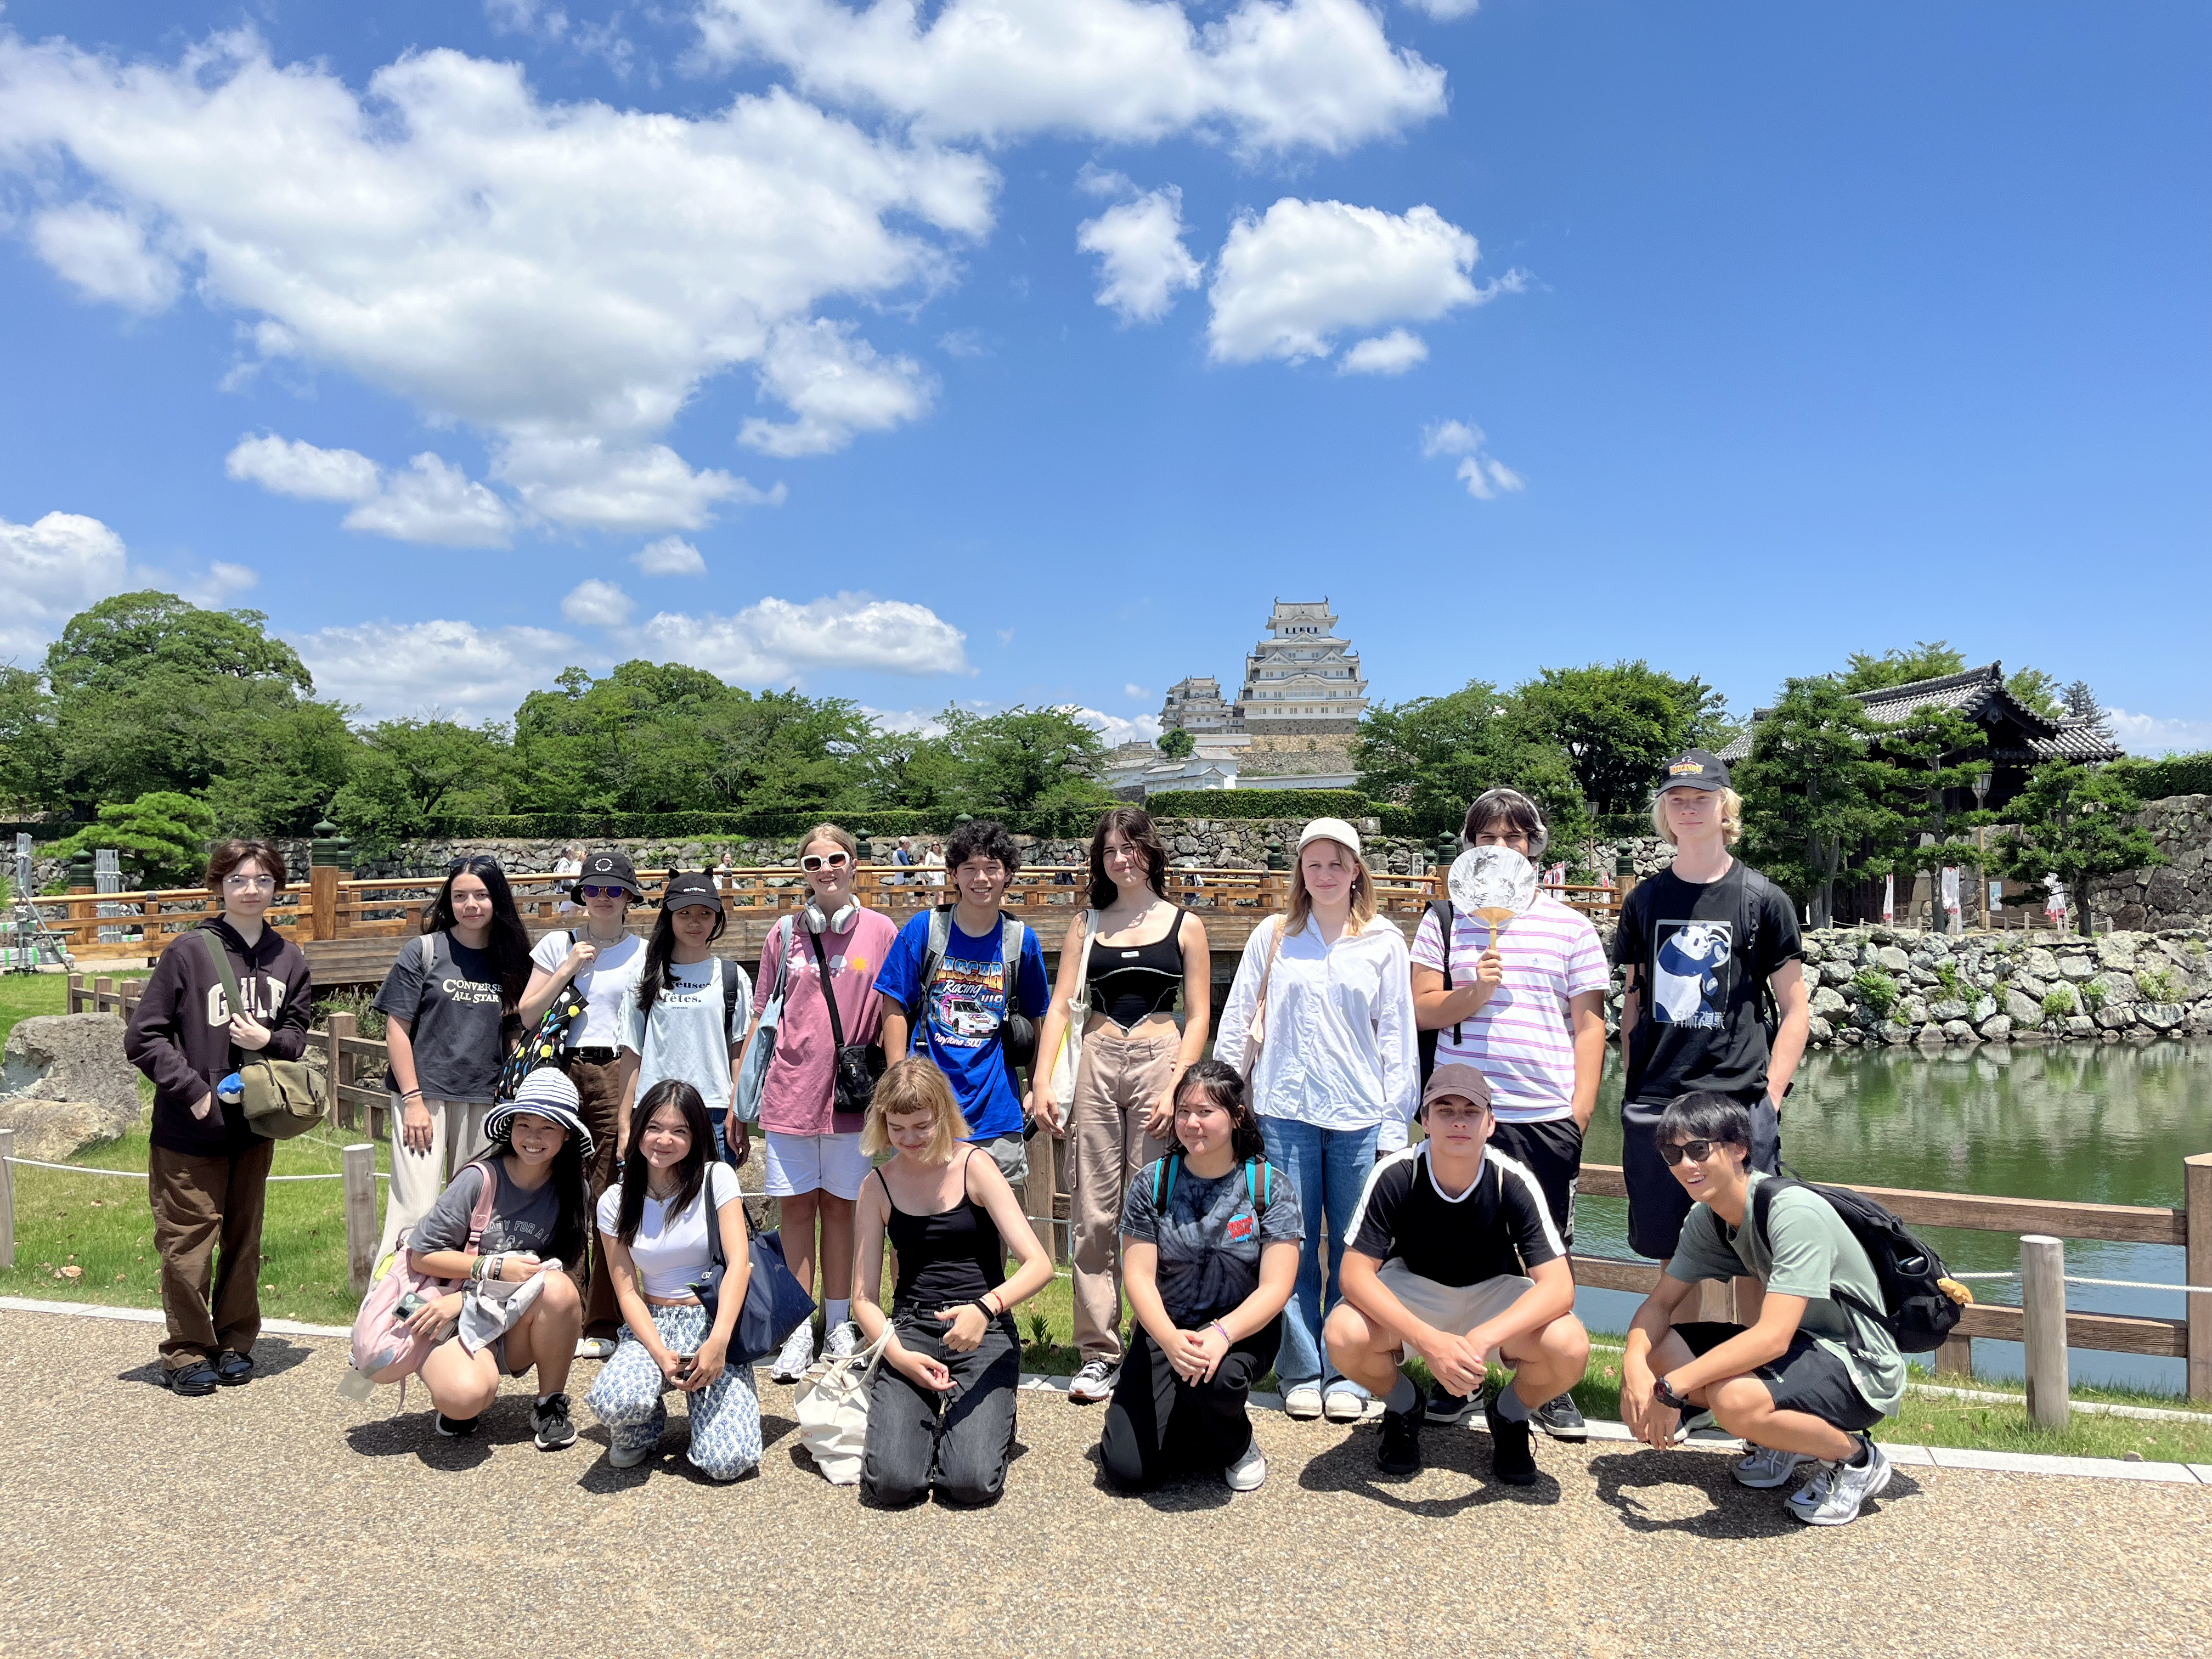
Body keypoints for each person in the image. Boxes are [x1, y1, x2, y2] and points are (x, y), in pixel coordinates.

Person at [1410, 788, 1609, 1437]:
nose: (1500, 849)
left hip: (1543, 1114)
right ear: (1468, 847)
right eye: (1487, 838)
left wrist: (1577, 1113)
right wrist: (1477, 991)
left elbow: (1589, 1026)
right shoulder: (1443, 922)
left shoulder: (1571, 925)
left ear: (1535, 847)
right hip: (1461, 1111)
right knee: (1458, 1248)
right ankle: (1458, 1373)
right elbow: (1424, 1010)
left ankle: (1544, 1382)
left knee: (1549, 1253)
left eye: (1515, 838)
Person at [1213, 817, 1417, 1423]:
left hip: (1358, 1112)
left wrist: (1392, 1124)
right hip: (1283, 1111)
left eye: (1337, 863)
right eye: (1313, 863)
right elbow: (1237, 1021)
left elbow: (1398, 1040)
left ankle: (1350, 1368)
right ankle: (1301, 1367)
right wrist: (1223, 1096)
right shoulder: (1275, 936)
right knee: (1291, 1246)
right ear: (1300, 870)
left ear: (1357, 870)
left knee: (1358, 1249)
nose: (1325, 874)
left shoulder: (1383, 941)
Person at [1620, 1093, 1904, 1525]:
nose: (1685, 1165)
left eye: (1699, 1149)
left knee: (1734, 1401)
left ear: (1738, 1149)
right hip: (1804, 1348)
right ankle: (1783, 1440)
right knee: (1659, 1348)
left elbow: (1773, 1336)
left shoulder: (1793, 1212)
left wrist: (1668, 1389)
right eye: (1673, 1153)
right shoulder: (1708, 1217)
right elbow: (1660, 1304)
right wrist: (1634, 1367)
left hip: (1858, 1363)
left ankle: (1858, 1460)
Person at [1324, 1065, 1590, 1486]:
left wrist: (1482, 1340)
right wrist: (1429, 1343)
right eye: (1445, 1110)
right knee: (1342, 1333)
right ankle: (1403, 1404)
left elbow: (1559, 1287)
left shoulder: (1511, 1178)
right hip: (1417, 1290)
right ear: (1425, 1121)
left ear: (1491, 1123)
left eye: (1471, 1110)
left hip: (1493, 1293)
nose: (1459, 1120)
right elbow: (1354, 1276)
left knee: (1570, 1345)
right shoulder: (1397, 1172)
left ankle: (1510, 1414)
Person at [1615, 750, 1811, 1318]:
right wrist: (1635, 1089)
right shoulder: (1645, 900)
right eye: (1676, 799)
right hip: (1659, 1102)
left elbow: (1796, 1008)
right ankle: (1683, 1391)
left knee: (1753, 1254)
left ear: (1725, 807)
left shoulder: (1762, 899)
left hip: (1735, 1101)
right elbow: (1632, 1003)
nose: (1689, 808)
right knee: (1672, 1258)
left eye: (1701, 799)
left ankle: (1750, 1387)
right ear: (1663, 812)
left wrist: (1770, 1097)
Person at [1030, 806, 1211, 1403]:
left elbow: (1199, 1016)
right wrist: (1040, 1083)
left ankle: (1154, 1343)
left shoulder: (1185, 925)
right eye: (1110, 850)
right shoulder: (1086, 925)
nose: (1121, 859)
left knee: (1154, 1208)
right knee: (1094, 1209)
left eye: (1131, 848)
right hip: (1098, 1059)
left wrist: (1177, 1088)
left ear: (1151, 853)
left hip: (1161, 1058)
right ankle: (1097, 1351)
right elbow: (1059, 1007)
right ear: (1099, 860)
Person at [123, 839, 313, 1396]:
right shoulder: (189, 952)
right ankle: (185, 1352)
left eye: (261, 880)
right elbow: (144, 1036)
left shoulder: (289, 958)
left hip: (256, 1127)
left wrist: (268, 1039)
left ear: (277, 887)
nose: (250, 890)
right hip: (190, 1129)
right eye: (237, 880)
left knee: (244, 1239)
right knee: (188, 1243)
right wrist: (192, 1091)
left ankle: (234, 1343)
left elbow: (298, 1037)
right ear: (218, 887)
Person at [850, 1059, 1056, 1506]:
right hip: (911, 1328)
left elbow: (1038, 1264)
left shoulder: (975, 1166)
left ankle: (989, 1418)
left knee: (968, 1484)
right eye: (897, 1127)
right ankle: (923, 1415)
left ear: (943, 1115)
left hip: (982, 1324)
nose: (909, 1139)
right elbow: (863, 1298)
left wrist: (986, 1309)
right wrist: (899, 1356)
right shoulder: (876, 1186)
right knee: (892, 1485)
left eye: (921, 1126)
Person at [738, 822, 898, 1384]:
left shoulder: (880, 930)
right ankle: (796, 1328)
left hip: (852, 1098)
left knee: (842, 1209)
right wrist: (742, 1102)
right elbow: (762, 1016)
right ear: (802, 872)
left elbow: (894, 1009)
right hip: (790, 1093)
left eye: (835, 859)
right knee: (796, 1211)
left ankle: (839, 1324)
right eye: (813, 863)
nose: (825, 870)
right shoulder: (784, 934)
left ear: (855, 864)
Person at [1101, 1060, 1297, 1493]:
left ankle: (1236, 1443)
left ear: (1237, 1116)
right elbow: (1138, 1278)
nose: (1192, 1123)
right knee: (1129, 1473)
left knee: (1220, 1380)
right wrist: (1170, 1340)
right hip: (1167, 1329)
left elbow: (1276, 1288)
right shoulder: (1153, 1183)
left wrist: (1222, 1335)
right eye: (1184, 1111)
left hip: (1242, 1331)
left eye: (1206, 1112)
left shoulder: (1268, 1186)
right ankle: (1193, 1415)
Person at [405, 1070, 592, 1448]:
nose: (533, 1138)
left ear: (567, 1134)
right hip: (453, 1320)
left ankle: (550, 1403)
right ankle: (458, 1389)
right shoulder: (480, 1180)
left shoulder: (573, 1189)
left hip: (510, 1317)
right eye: (524, 1125)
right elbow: (420, 1253)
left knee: (560, 1290)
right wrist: (486, 1269)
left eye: (547, 1128)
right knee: (465, 1398)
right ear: (510, 1126)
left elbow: (556, 1269)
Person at [585, 1080, 760, 1480]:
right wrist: (660, 1354)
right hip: (654, 1324)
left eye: (679, 1131)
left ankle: (717, 1406)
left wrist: (717, 1344)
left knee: (727, 1463)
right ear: (638, 1129)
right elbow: (627, 1290)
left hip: (714, 1320)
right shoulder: (614, 1200)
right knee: (616, 1399)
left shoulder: (716, 1179)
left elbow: (739, 1264)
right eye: (654, 1128)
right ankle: (642, 1426)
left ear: (697, 1136)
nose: (664, 1140)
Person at [372, 854, 533, 1262]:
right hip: (424, 1098)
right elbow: (397, 1029)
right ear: (449, 901)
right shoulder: (424, 951)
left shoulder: (511, 961)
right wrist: (412, 1101)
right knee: (415, 1210)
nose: (471, 905)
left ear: (498, 899)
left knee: (474, 1210)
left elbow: (512, 1034)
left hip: (486, 1099)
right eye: (460, 896)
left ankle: (455, 1307)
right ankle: (393, 1307)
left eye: (481, 895)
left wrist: (516, 1095)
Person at [518, 848, 647, 1357]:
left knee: (610, 1190)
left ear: (629, 897)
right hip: (562, 1069)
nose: (603, 899)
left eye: (614, 890)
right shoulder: (559, 943)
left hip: (617, 1070)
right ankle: (561, 1310)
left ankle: (604, 1320)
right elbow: (527, 1014)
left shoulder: (643, 951)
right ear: (581, 894)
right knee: (564, 1186)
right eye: (593, 889)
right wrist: (568, 966)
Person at [874, 818, 1051, 1188]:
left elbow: (1035, 1018)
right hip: (923, 1110)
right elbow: (893, 1007)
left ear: (1008, 875)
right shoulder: (925, 930)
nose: (980, 879)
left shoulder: (1021, 941)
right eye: (969, 868)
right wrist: (897, 1083)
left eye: (992, 868)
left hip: (995, 1109)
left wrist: (1037, 1083)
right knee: (913, 1223)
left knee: (992, 1230)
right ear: (953, 873)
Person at [617, 871, 752, 1167]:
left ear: (717, 918)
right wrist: (625, 1124)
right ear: (669, 916)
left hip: (714, 1113)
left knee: (712, 1207)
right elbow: (632, 1054)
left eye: (705, 913)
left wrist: (736, 1113)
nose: (695, 922)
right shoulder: (645, 976)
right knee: (652, 1207)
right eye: (685, 913)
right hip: (654, 1111)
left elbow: (738, 1055)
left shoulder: (732, 976)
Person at [552, 846, 583, 915]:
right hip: (564, 888)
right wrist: (567, 873)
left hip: (563, 888)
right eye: (573, 853)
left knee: (567, 908)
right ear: (569, 853)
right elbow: (560, 874)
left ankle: (566, 922)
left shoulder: (564, 861)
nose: (574, 854)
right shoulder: (564, 862)